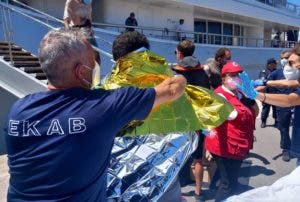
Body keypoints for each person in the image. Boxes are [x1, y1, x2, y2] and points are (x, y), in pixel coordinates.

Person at [3, 28, 187, 201]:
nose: (97, 66)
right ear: (80, 71)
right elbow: (172, 90)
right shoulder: (102, 106)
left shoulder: (18, 110)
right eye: (94, 62)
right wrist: (177, 74)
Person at [238, 44, 300, 166]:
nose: (288, 66)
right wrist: (264, 82)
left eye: (292, 63)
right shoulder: (289, 76)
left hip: (284, 104)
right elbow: (288, 83)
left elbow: (290, 100)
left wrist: (256, 95)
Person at [205, 61, 257, 201]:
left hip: (239, 144)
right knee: (228, 184)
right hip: (226, 147)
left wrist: (251, 100)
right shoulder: (219, 96)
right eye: (232, 75)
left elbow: (254, 113)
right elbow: (230, 115)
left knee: (227, 177)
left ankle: (216, 188)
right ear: (223, 78)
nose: (236, 77)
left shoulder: (240, 92)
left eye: (239, 74)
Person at [172, 40, 210, 202]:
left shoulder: (175, 71)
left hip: (179, 120)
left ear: (180, 53)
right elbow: (207, 96)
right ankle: (198, 192)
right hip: (197, 120)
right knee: (198, 158)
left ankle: (176, 191)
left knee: (175, 157)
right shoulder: (203, 72)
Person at [267, 50, 294, 161]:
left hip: (296, 104)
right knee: (284, 129)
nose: (284, 60)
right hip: (282, 106)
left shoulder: (297, 71)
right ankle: (286, 149)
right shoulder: (275, 73)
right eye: (282, 58)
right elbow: (266, 84)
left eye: (286, 57)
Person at [259, 58, 277, 128]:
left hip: (276, 94)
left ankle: (276, 121)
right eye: (274, 64)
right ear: (270, 64)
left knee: (276, 109)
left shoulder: (277, 71)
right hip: (266, 94)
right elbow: (262, 81)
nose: (275, 65)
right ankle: (263, 122)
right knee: (265, 109)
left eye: (275, 64)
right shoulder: (264, 72)